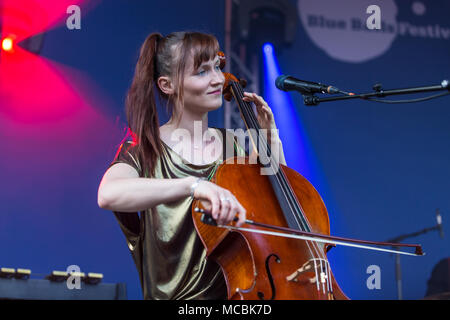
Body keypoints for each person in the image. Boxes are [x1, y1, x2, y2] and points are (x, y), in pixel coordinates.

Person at [97, 31, 286, 300]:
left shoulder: (232, 144)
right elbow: (107, 194)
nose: (218, 79)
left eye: (217, 67)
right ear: (167, 85)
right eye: (201, 72)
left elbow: (276, 201)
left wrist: (268, 136)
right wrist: (194, 185)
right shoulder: (144, 151)